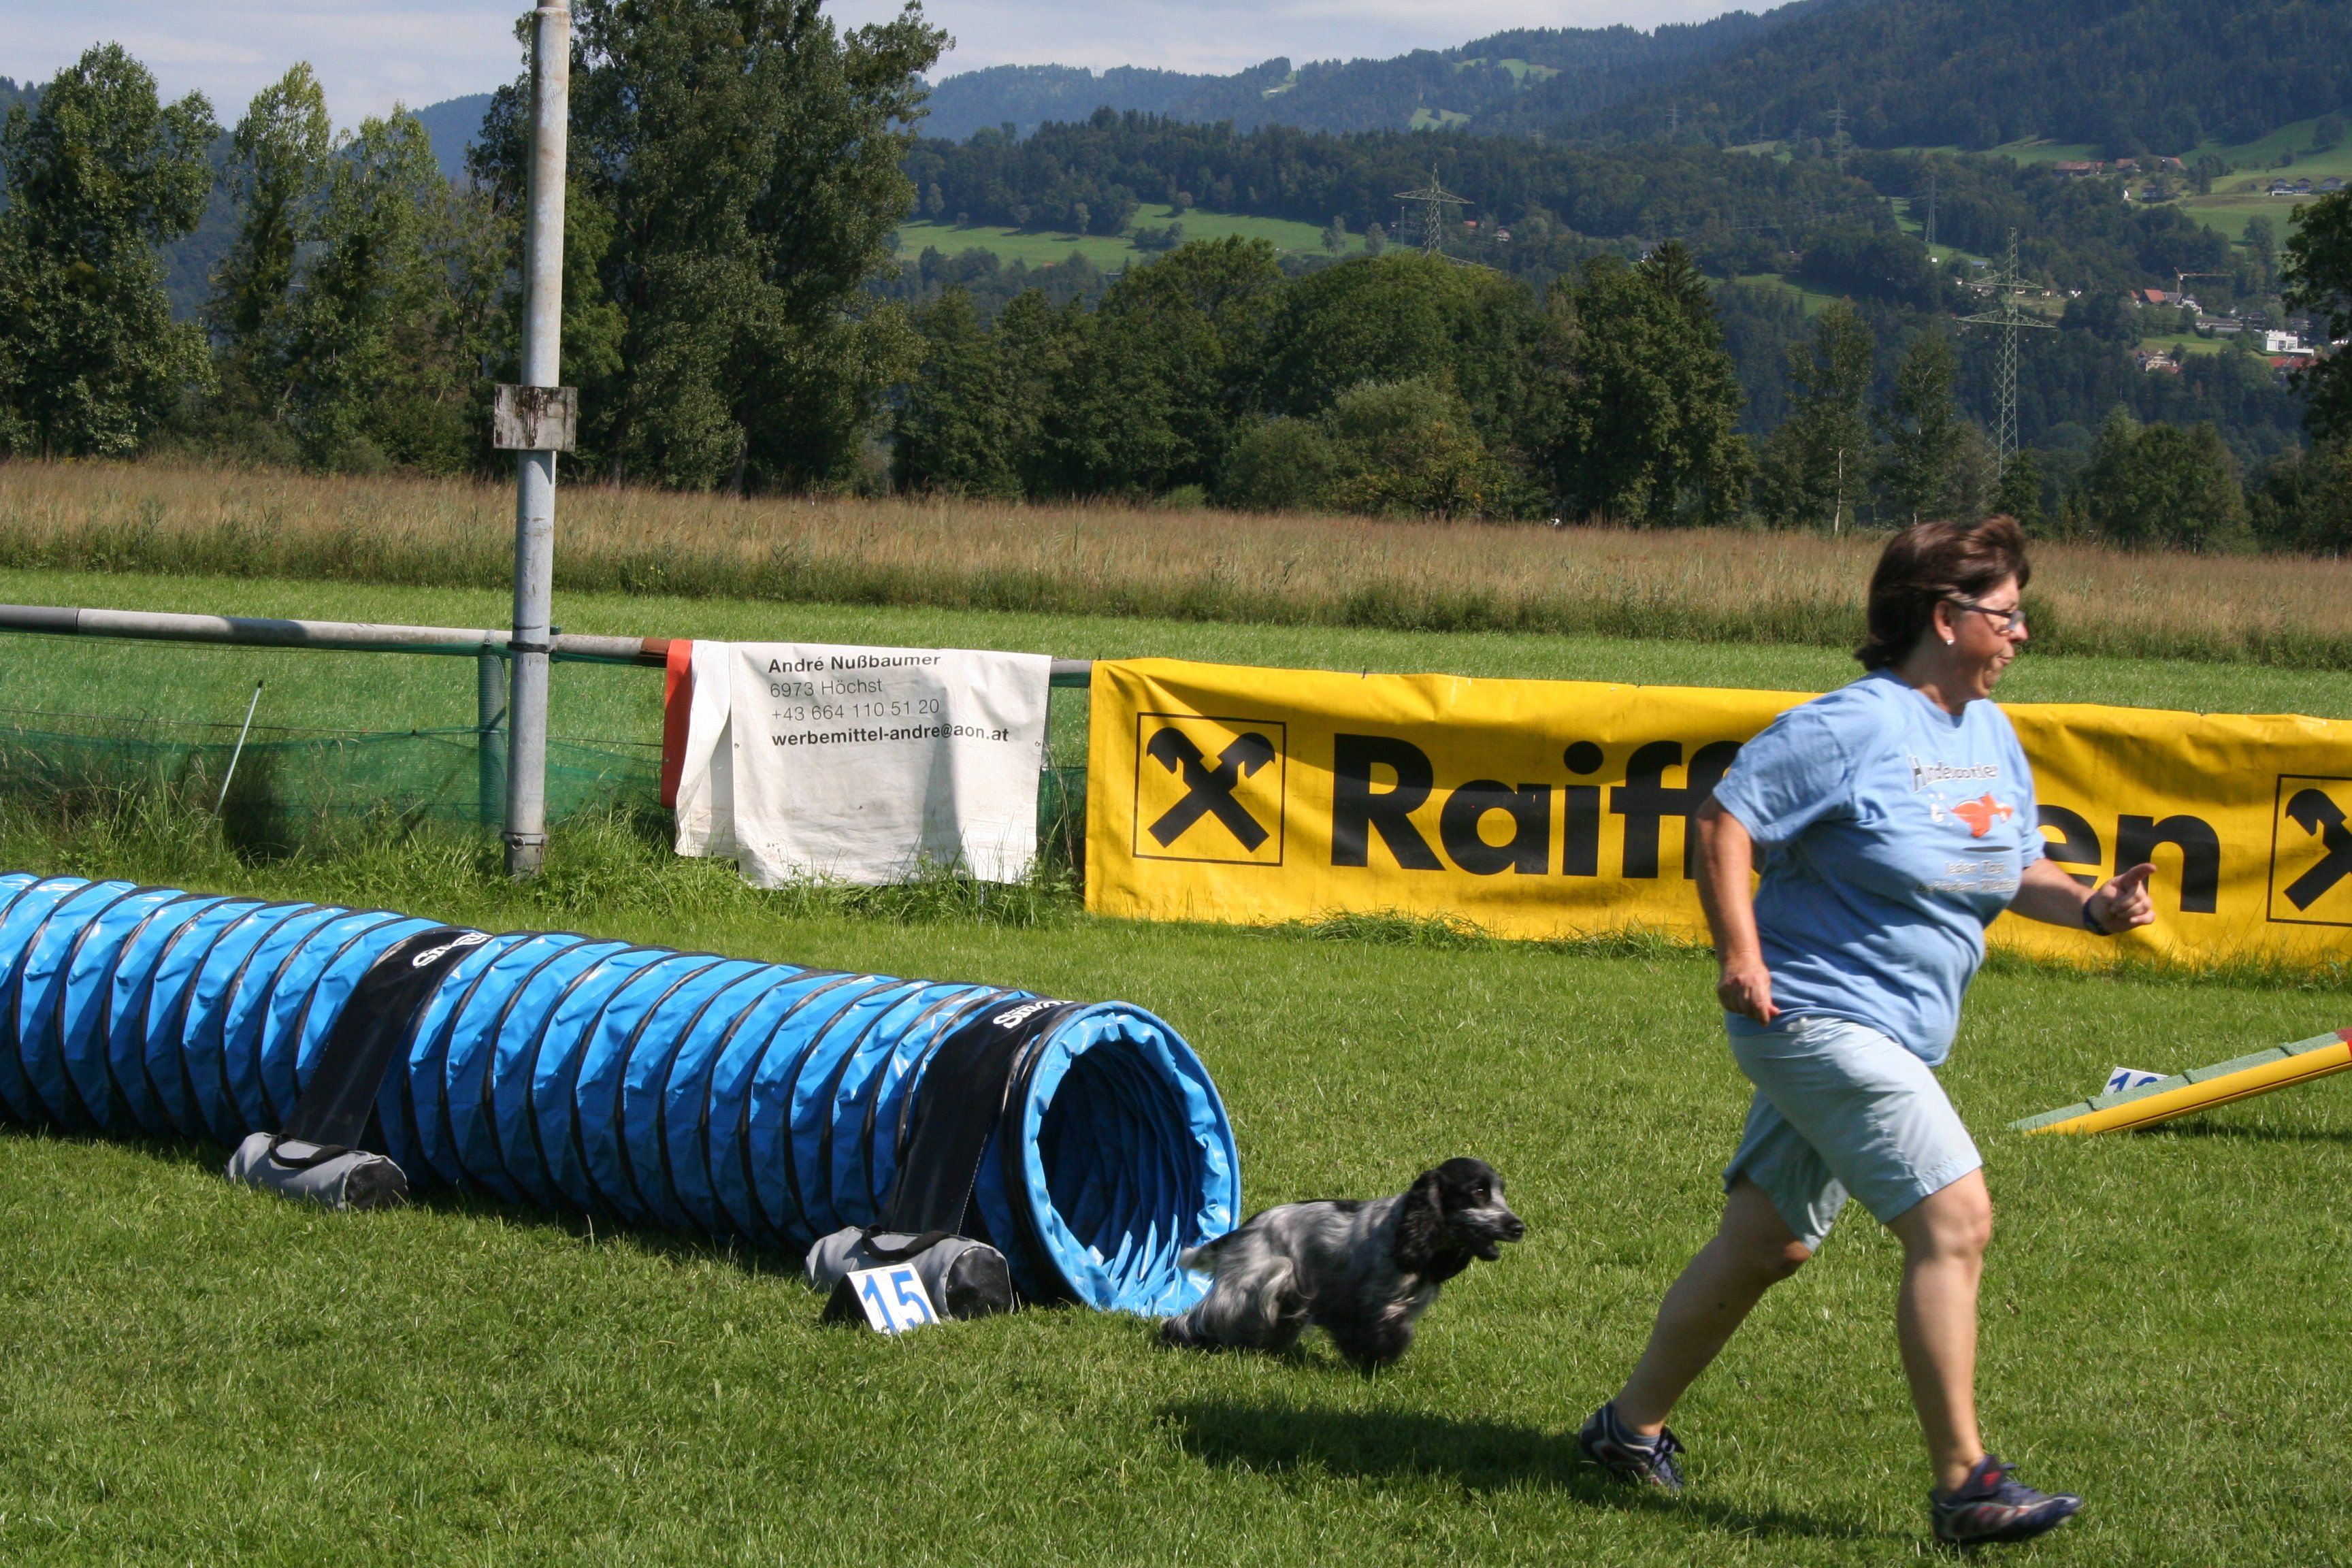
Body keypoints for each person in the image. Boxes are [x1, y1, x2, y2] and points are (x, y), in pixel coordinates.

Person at [1577, 516, 2155, 1547]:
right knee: (1956, 1221)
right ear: (1945, 617)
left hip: (1895, 1031)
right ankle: (1966, 1484)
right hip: (1813, 1017)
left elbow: (2013, 863)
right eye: (2008, 615)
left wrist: (2093, 909)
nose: (2023, 633)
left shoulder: (1990, 733)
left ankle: (1627, 1430)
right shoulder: (1852, 725)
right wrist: (1739, 954)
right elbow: (1724, 820)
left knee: (1768, 1242)